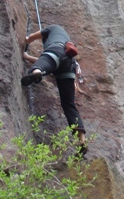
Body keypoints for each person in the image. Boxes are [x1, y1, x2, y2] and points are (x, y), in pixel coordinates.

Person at [21, 24, 87, 154]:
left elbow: (30, 38)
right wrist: (27, 57)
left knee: (39, 67)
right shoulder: (65, 39)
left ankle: (36, 72)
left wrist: (25, 42)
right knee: (69, 105)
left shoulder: (53, 28)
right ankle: (82, 140)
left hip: (55, 52)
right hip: (69, 64)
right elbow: (50, 62)